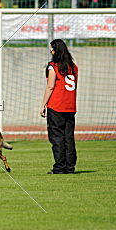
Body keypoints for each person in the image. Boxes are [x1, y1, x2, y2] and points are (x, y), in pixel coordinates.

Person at [40, 39, 78, 175]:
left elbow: (50, 86)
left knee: (57, 138)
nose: (51, 51)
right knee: (69, 138)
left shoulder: (53, 66)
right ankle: (70, 167)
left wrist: (43, 104)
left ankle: (60, 167)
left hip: (56, 106)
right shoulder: (73, 67)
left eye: (52, 48)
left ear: (56, 50)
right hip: (70, 107)